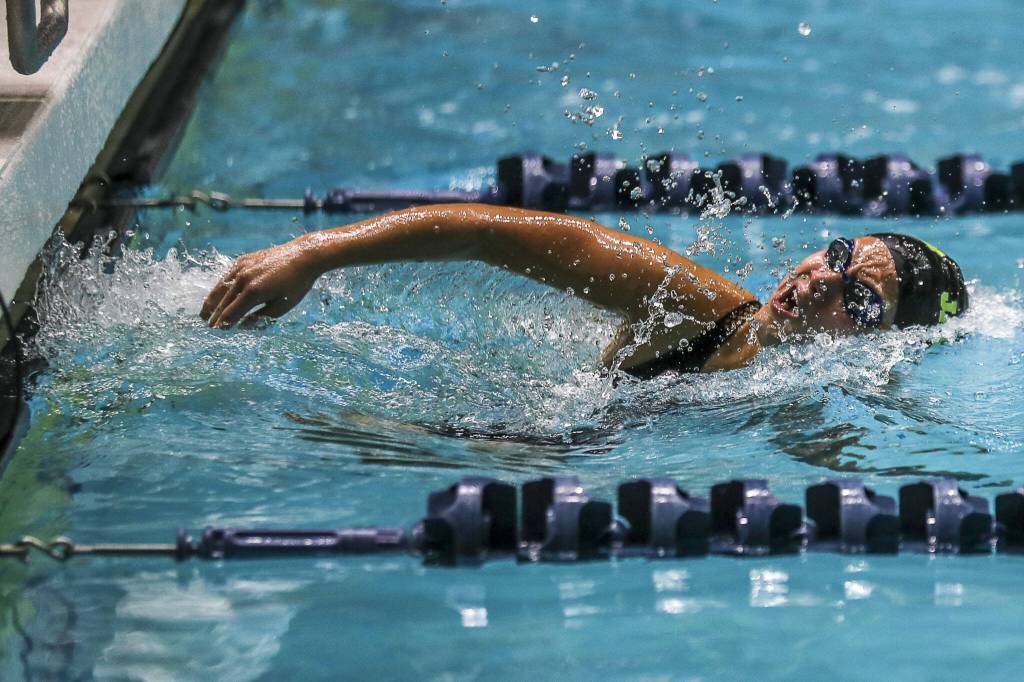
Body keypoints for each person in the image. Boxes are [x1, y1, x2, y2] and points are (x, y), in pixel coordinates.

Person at [201, 204, 968, 376]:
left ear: (880, 347)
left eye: (857, 301)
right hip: (505, 450)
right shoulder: (697, 303)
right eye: (837, 254)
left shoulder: (817, 406)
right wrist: (314, 251)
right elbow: (495, 233)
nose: (817, 280)